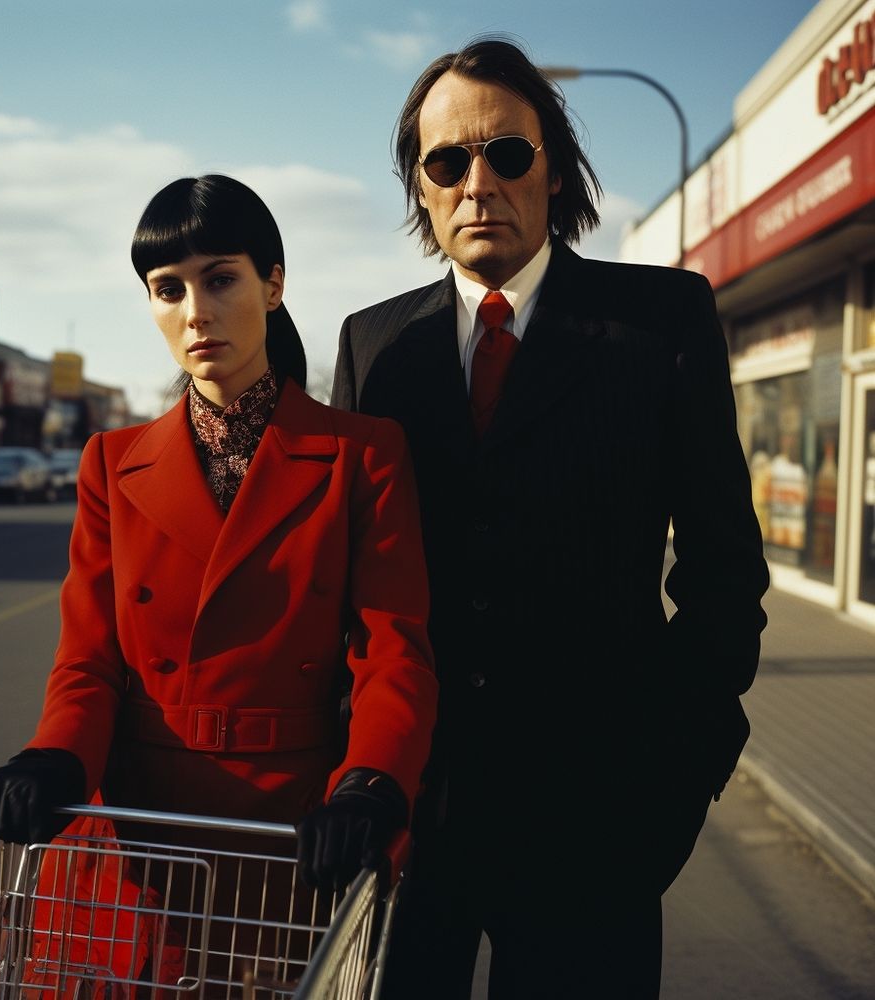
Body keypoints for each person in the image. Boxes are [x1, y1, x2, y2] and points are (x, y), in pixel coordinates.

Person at [331, 37, 769, 999]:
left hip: (599, 823)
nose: (477, 181)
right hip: (415, 821)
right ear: (421, 186)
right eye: (447, 162)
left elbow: (723, 570)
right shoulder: (375, 345)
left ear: (554, 168)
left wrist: (677, 773)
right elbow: (352, 587)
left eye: (507, 154)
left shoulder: (662, 321)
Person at [0, 174, 438, 991]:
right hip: (133, 837)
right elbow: (88, 660)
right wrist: (53, 759)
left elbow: (392, 654)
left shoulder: (363, 453)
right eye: (168, 288)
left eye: (221, 278)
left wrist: (370, 783)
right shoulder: (112, 464)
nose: (196, 311)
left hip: (292, 834)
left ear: (274, 284)